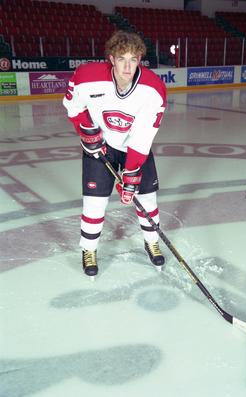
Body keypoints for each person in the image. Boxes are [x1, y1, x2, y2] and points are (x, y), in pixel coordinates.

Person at [63, 30, 166, 277]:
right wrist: (86, 132)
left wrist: (130, 175)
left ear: (140, 58)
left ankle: (151, 241)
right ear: (111, 58)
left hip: (133, 147)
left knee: (148, 199)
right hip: (100, 147)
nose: (128, 66)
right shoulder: (86, 77)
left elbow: (142, 137)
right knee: (94, 203)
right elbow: (73, 107)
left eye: (134, 59)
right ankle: (88, 249)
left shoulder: (153, 90)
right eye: (122, 58)